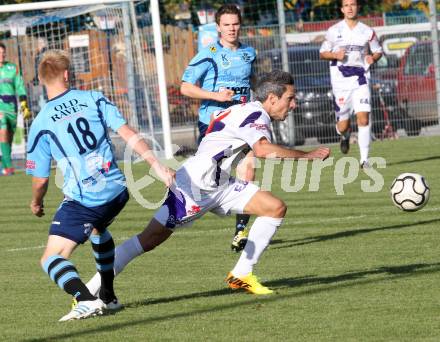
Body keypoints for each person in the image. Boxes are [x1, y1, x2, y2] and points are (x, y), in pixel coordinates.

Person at [85, 70, 330, 297]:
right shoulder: (256, 115)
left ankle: (241, 274)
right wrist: (307, 156)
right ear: (273, 99)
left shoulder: (244, 110)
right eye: (290, 98)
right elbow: (263, 149)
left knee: (275, 207)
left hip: (220, 185)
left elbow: (218, 129)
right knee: (147, 240)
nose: (294, 104)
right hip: (195, 188)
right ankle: (89, 290)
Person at [26, 50, 174, 321]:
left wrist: (36, 202)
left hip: (86, 199)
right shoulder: (93, 98)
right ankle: (108, 295)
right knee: (98, 230)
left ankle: (85, 299)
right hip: (117, 191)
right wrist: (157, 166)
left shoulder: (41, 123)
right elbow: (128, 133)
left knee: (51, 258)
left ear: (41, 80)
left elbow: (41, 179)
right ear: (67, 74)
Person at [181, 4, 256, 252]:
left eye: (235, 23)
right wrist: (216, 95)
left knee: (249, 165)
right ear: (218, 27)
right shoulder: (209, 53)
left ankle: (240, 230)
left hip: (242, 122)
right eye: (227, 24)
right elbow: (185, 87)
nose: (232, 28)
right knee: (213, 178)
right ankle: (184, 195)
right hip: (213, 122)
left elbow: (251, 84)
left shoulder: (249, 52)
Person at [319, 0, 382, 168]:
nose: (350, 8)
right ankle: (345, 136)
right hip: (340, 83)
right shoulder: (334, 31)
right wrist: (335, 55)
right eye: (346, 5)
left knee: (363, 118)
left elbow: (378, 51)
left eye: (352, 4)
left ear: (357, 7)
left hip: (361, 79)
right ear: (342, 9)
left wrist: (372, 58)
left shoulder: (367, 31)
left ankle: (364, 160)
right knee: (343, 125)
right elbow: (322, 53)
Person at [0, 42, 32, 175]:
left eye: (3, 53)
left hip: (12, 107)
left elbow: (20, 87)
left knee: (9, 138)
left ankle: (4, 164)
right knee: (3, 129)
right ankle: (9, 168)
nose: (1, 55)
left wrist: (24, 105)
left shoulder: (13, 68)